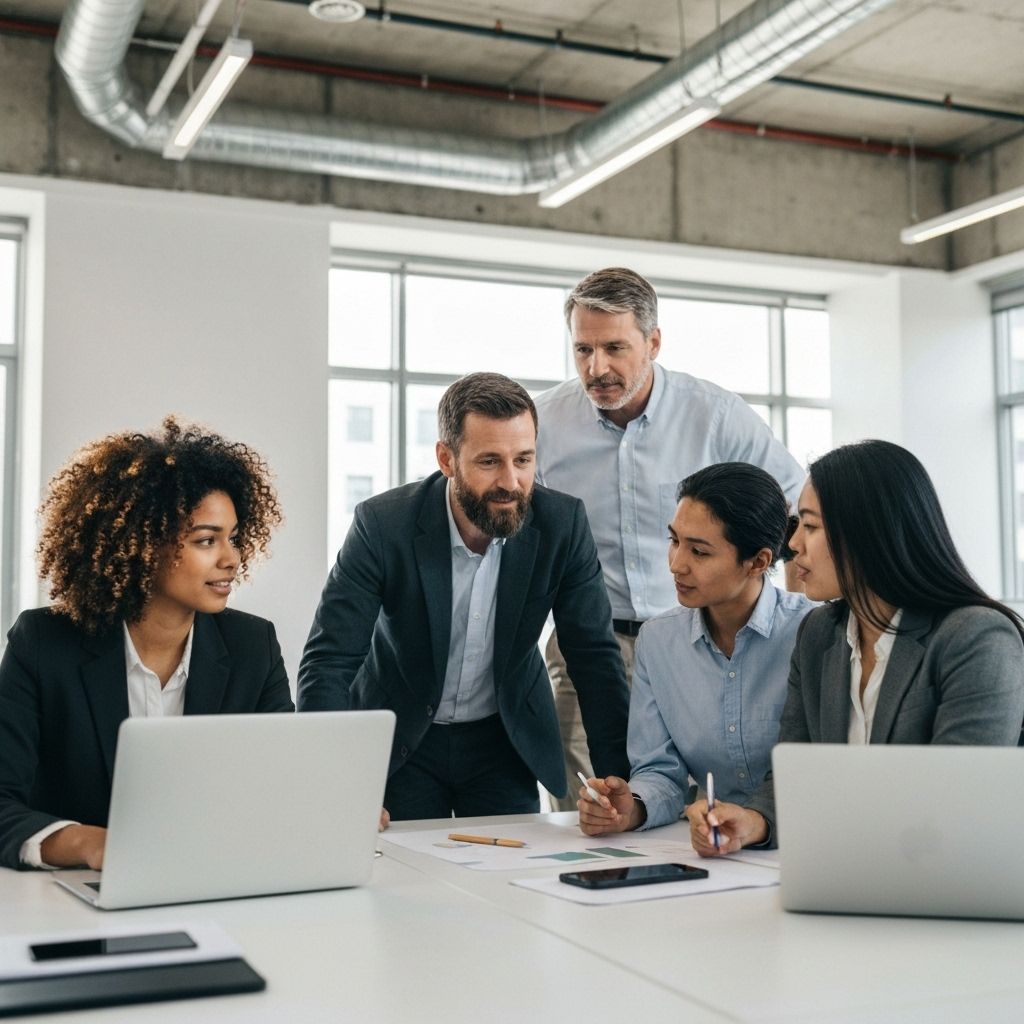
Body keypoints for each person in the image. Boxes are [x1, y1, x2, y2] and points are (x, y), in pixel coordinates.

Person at [298, 372, 629, 823]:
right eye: (490, 461)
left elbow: (594, 659)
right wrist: (334, 781)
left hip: (502, 739)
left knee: (507, 876)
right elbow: (330, 661)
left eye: (524, 459)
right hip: (401, 736)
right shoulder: (382, 525)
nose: (511, 482)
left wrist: (620, 783)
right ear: (446, 459)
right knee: (404, 880)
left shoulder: (562, 525)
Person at [534, 266, 804, 809]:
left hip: (697, 642)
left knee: (698, 796)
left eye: (615, 347)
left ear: (653, 342)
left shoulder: (717, 416)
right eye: (583, 349)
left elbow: (793, 508)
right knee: (595, 805)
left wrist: (776, 606)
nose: (597, 367)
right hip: (588, 643)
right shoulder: (544, 423)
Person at [689, 440, 1024, 855]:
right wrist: (753, 822)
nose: (792, 545)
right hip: (847, 875)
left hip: (943, 885)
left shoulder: (976, 639)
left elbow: (961, 803)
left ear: (868, 532)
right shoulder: (818, 635)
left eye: (810, 527)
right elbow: (797, 774)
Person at [0, 417, 294, 871]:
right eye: (206, 540)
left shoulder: (253, 645)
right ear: (140, 545)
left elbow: (280, 786)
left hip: (214, 882)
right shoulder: (43, 644)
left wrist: (326, 802)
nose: (231, 558)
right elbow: (2, 803)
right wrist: (90, 844)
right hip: (72, 896)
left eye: (233, 538)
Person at [577, 463, 813, 836]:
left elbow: (819, 768)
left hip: (809, 840)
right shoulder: (658, 642)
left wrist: (755, 824)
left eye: (699, 552)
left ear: (758, 561)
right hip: (715, 846)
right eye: (674, 541)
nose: (676, 564)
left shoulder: (812, 633)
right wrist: (631, 808)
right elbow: (659, 773)